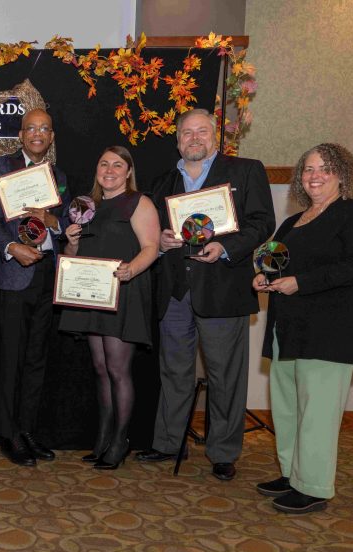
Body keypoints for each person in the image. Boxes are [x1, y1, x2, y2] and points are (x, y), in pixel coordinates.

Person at [137, 108, 275, 482]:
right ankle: (168, 442)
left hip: (223, 287)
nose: (194, 138)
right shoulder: (163, 181)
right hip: (175, 291)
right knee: (173, 372)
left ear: (216, 136)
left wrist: (226, 247)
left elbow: (263, 222)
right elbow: (152, 233)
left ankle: (223, 451)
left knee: (225, 375)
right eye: (186, 132)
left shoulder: (245, 171)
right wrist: (163, 242)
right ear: (177, 139)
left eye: (201, 131)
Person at [253, 143, 353, 514]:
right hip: (288, 328)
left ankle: (314, 486)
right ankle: (294, 474)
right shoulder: (293, 222)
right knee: (289, 407)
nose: (315, 175)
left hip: (330, 330)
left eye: (324, 168)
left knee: (318, 412)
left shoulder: (352, 213)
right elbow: (274, 262)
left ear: (342, 174)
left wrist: (301, 282)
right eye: (308, 169)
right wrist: (262, 277)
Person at [60, 146, 160, 470]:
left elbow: (152, 248)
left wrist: (132, 268)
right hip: (93, 295)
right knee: (101, 368)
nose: (110, 169)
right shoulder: (86, 205)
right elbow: (73, 258)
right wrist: (71, 239)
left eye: (118, 165)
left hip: (123, 292)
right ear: (97, 170)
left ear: (129, 171)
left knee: (118, 370)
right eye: (104, 163)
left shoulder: (139, 203)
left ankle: (121, 439)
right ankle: (102, 436)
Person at [0, 108, 70, 467]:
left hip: (46, 275)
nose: (37, 134)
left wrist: (55, 221)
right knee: (13, 358)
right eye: (31, 128)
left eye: (44, 129)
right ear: (21, 135)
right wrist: (11, 248)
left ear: (51, 137)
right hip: (14, 274)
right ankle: (9, 433)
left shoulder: (59, 176)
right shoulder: (1, 168)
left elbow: (66, 224)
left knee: (36, 359)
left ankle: (28, 429)